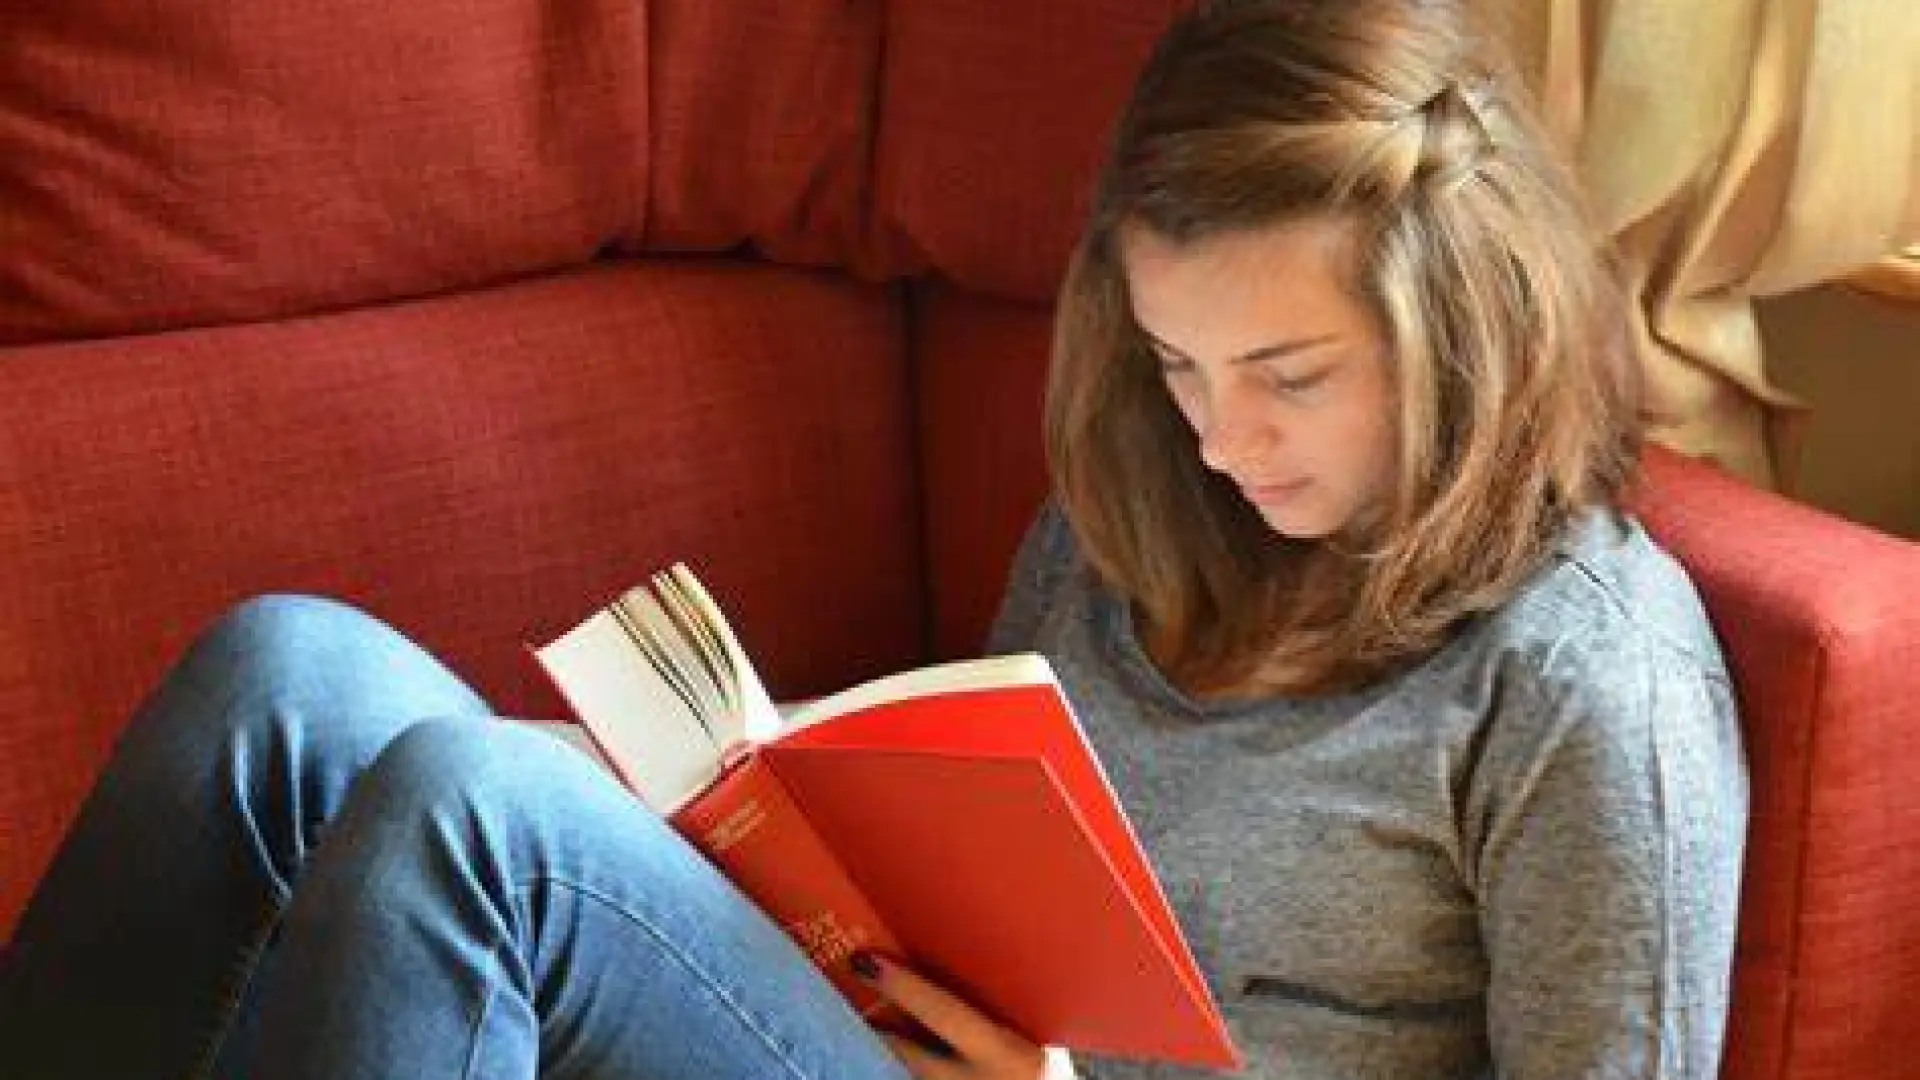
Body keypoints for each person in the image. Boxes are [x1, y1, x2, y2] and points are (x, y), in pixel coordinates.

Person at [0, 0, 1747, 1077]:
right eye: (1176, 361)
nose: (1221, 436)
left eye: (1288, 373)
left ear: (1469, 324)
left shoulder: (1591, 688)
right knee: (285, 672)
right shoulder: (1146, 500)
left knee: (476, 823)